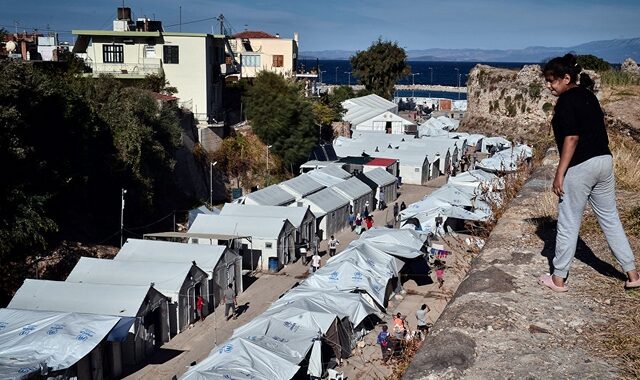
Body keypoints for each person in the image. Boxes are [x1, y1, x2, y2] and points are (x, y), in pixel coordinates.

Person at [538, 53, 639, 292]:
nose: (549, 86)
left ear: (566, 77)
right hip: (603, 161)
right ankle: (633, 274)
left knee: (568, 222)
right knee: (610, 219)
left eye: (552, 81)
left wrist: (559, 173)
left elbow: (571, 138)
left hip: (581, 166)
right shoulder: (589, 96)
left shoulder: (566, 101)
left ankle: (558, 278)